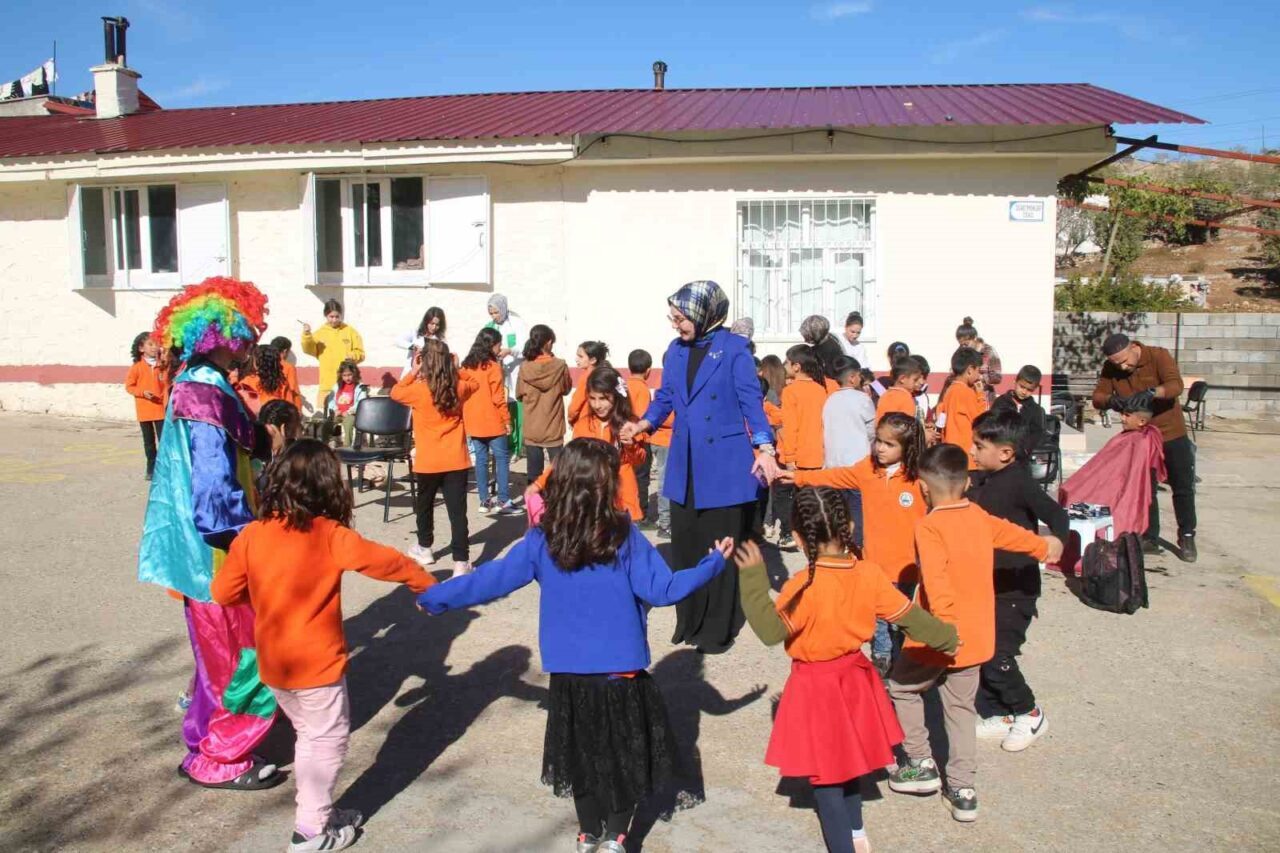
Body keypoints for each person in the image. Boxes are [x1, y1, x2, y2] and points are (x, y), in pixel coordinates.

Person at [418, 438, 735, 853]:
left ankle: (588, 833)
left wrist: (438, 596)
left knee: (580, 753)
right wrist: (712, 564)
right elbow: (664, 590)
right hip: (620, 671)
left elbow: (491, 579)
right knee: (623, 755)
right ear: (606, 484)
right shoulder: (624, 535)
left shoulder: (542, 538)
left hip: (569, 672)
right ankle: (617, 836)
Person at [212, 439, 436, 853]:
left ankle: (318, 814)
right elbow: (387, 561)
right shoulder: (329, 534)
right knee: (326, 740)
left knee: (309, 736)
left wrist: (262, 593)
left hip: (275, 664)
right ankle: (310, 831)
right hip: (317, 667)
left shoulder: (252, 535)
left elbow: (223, 593)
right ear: (327, 487)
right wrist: (425, 584)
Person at [735, 488, 958, 853]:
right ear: (851, 527)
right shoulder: (869, 574)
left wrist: (753, 580)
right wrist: (949, 638)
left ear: (797, 538)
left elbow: (770, 631)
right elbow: (911, 618)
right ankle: (856, 830)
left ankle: (845, 844)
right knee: (850, 762)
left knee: (827, 779)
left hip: (816, 687)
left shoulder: (803, 585)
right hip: (855, 678)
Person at [137, 276, 282, 791]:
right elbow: (213, 486)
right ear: (223, 334)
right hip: (218, 555)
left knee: (214, 656)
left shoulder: (197, 380)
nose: (251, 340)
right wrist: (247, 541)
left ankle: (203, 739)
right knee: (244, 655)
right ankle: (221, 757)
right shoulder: (204, 390)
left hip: (200, 554)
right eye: (246, 331)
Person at [886, 444, 1062, 823]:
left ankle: (920, 763)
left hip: (939, 635)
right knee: (961, 709)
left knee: (901, 688)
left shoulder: (929, 526)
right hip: (976, 636)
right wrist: (1042, 547)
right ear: (966, 483)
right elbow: (1011, 535)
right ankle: (963, 790)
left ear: (923, 488)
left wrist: (945, 629)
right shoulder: (978, 516)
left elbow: (936, 582)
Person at [622, 279, 779, 654]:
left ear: (704, 314)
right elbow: (666, 398)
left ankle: (716, 629)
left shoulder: (734, 349)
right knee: (687, 546)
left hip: (724, 467)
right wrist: (643, 424)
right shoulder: (675, 351)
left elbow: (750, 402)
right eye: (673, 318)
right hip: (685, 466)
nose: (676, 325)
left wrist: (765, 447)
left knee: (720, 548)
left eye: (681, 318)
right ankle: (689, 621)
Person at [782, 412, 928, 674]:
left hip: (907, 567)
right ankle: (882, 659)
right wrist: (798, 478)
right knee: (878, 617)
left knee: (901, 616)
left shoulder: (920, 479)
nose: (880, 448)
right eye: (878, 441)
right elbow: (835, 476)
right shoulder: (866, 470)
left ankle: (903, 659)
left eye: (889, 444)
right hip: (873, 563)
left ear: (907, 448)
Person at [968, 411, 1069, 753]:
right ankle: (1000, 713)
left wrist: (1056, 540)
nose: (972, 451)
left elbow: (1056, 514)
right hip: (987, 584)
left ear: (1006, 453)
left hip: (1015, 588)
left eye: (979, 446)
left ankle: (1029, 712)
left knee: (999, 655)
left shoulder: (1019, 482)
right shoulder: (981, 479)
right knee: (981, 650)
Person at [1091, 332, 1197, 562]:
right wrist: (1112, 401)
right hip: (1140, 438)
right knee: (1145, 488)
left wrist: (1153, 393)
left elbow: (1176, 385)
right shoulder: (1112, 368)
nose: (1122, 367)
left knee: (1182, 486)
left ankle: (1187, 535)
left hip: (1171, 433)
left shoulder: (1158, 356)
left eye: (1124, 361)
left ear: (1133, 348)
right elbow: (1098, 396)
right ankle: (1150, 536)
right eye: (1116, 364)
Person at [391, 339, 478, 575]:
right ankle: (461, 561)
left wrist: (414, 371)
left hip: (428, 460)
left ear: (424, 361)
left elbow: (395, 392)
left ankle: (425, 547)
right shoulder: (458, 387)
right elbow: (475, 383)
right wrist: (456, 368)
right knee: (457, 512)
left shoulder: (418, 390)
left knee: (425, 506)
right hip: (455, 459)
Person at [527, 366, 647, 520]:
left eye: (603, 399)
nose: (597, 405)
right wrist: (539, 484)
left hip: (622, 496)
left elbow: (639, 461)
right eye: (592, 398)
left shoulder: (630, 424)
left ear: (616, 396)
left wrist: (630, 446)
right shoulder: (584, 425)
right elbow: (568, 459)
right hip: (591, 496)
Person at [1059, 396, 1167, 558]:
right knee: (1071, 488)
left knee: (1077, 492)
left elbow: (1129, 476)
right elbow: (1102, 465)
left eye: (1127, 415)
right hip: (1112, 480)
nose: (1122, 418)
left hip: (1119, 486)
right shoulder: (1131, 437)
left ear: (1141, 421)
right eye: (1123, 414)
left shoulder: (1140, 441)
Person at [774, 344, 828, 550]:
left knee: (797, 500)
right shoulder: (821, 390)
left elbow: (790, 427)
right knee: (815, 499)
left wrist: (789, 457)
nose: (785, 366)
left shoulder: (790, 391)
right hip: (818, 454)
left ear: (796, 366)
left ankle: (797, 536)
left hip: (799, 456)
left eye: (787, 362)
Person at [821, 356, 876, 547]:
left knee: (838, 511)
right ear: (852, 378)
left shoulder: (829, 400)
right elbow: (872, 431)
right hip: (857, 465)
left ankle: (839, 545)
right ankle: (857, 546)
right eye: (859, 376)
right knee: (858, 510)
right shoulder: (863, 399)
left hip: (834, 466)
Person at [461, 327, 516, 515]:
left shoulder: (467, 366)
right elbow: (498, 397)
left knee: (481, 460)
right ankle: (503, 500)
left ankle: (484, 501)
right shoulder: (493, 367)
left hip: (473, 419)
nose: (500, 348)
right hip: (493, 420)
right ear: (491, 345)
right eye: (499, 344)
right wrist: (507, 420)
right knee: (501, 459)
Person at [517, 324, 573, 489]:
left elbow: (519, 394)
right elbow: (566, 389)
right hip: (553, 425)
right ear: (549, 342)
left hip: (532, 426)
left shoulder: (525, 367)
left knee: (534, 473)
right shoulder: (560, 366)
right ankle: (557, 501)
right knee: (558, 471)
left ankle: (534, 503)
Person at [485, 294, 528, 456]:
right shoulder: (490, 326)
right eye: (491, 313)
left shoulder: (517, 323)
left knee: (517, 410)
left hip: (516, 371)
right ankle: (504, 446)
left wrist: (510, 351)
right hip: (498, 372)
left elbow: (525, 346)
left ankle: (517, 447)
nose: (494, 316)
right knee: (502, 408)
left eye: (496, 312)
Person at [301, 300, 364, 409]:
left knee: (347, 414)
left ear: (341, 315)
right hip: (327, 384)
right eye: (331, 317)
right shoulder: (320, 333)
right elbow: (308, 349)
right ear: (326, 315)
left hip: (347, 384)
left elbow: (361, 353)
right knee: (327, 415)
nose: (334, 320)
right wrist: (307, 334)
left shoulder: (350, 331)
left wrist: (353, 356)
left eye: (337, 316)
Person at [126, 331, 169, 480]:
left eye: (156, 344)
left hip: (160, 410)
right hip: (144, 411)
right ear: (141, 348)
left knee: (164, 440)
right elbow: (129, 387)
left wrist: (164, 397)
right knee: (149, 442)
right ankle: (151, 468)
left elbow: (166, 385)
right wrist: (143, 393)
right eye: (150, 344)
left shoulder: (162, 366)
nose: (154, 347)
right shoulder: (137, 367)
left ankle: (165, 467)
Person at [936, 347, 987, 467]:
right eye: (978, 371)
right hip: (967, 457)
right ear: (970, 370)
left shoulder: (949, 391)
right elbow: (981, 421)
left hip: (950, 454)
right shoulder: (966, 392)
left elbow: (941, 419)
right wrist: (980, 396)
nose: (979, 376)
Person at [626, 350, 656, 527]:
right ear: (648, 371)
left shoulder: (624, 386)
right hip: (639, 440)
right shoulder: (643, 389)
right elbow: (643, 416)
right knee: (642, 479)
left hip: (626, 439)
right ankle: (642, 515)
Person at [991, 365, 1047, 457]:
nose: (1024, 392)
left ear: (1035, 388)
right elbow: (992, 425)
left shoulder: (1035, 409)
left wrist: (1026, 449)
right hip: (999, 452)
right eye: (1022, 387)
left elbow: (1037, 433)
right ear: (1015, 381)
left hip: (1021, 456)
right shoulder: (1000, 402)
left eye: (1029, 390)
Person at [956, 317, 1002, 405]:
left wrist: (980, 378)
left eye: (966, 344)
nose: (964, 347)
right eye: (961, 345)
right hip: (966, 399)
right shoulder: (961, 352)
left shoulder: (988, 351)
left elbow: (997, 376)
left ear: (975, 338)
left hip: (985, 398)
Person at [325, 360, 368, 448]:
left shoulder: (360, 387)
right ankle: (329, 443)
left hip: (351, 414)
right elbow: (331, 400)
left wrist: (349, 412)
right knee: (328, 423)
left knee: (348, 423)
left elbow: (361, 402)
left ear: (354, 374)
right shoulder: (337, 386)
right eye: (344, 375)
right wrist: (335, 409)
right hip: (338, 412)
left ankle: (347, 446)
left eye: (349, 375)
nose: (347, 378)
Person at [395, 306, 447, 378]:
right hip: (410, 374)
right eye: (432, 323)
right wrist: (413, 347)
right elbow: (398, 341)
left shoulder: (440, 340)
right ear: (426, 321)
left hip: (427, 377)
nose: (434, 327)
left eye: (437, 325)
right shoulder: (415, 333)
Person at [568, 340, 611, 426]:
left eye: (581, 356)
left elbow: (576, 405)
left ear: (593, 360)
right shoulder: (605, 374)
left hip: (585, 421)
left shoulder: (587, 377)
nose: (577, 359)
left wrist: (570, 418)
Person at [800, 314, 844, 393]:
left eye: (807, 335)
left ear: (816, 333)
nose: (805, 339)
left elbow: (827, 373)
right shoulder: (830, 339)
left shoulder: (827, 349)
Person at [875, 357, 925, 423]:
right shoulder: (905, 398)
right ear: (902, 379)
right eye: (915, 380)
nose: (917, 383)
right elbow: (907, 426)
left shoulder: (885, 395)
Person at [270, 336, 303, 408]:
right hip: (284, 406)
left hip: (267, 406)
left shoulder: (265, 365)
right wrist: (298, 409)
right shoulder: (288, 367)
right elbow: (294, 390)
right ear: (285, 351)